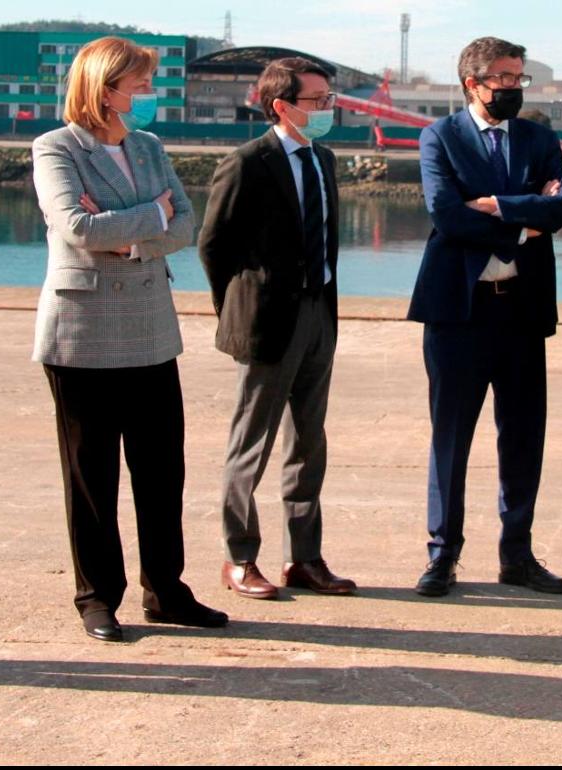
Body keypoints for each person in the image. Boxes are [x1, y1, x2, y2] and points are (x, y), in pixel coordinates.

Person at [31, 36, 227, 642]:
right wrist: (153, 213)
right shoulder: (55, 148)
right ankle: (97, 597)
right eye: (139, 85)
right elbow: (78, 226)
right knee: (91, 473)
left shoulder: (148, 146)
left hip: (149, 327)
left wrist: (135, 235)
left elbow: (187, 223)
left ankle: (165, 589)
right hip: (81, 330)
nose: (149, 95)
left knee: (162, 469)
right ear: (103, 87)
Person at [407, 37, 562, 597]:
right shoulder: (440, 136)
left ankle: (518, 555)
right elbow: (446, 215)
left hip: (522, 313)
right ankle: (442, 554)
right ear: (472, 83)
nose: (513, 88)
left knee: (524, 436)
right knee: (450, 438)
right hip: (459, 312)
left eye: (518, 78)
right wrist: (526, 222)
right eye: (503, 78)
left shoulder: (539, 137)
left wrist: (500, 207)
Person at [198, 57, 355, 600]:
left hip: (318, 313)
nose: (327, 109)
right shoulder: (248, 163)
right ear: (282, 106)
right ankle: (239, 557)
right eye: (317, 101)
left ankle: (304, 558)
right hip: (267, 320)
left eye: (329, 99)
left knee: (309, 443)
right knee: (252, 443)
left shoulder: (323, 159)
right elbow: (214, 245)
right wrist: (238, 308)